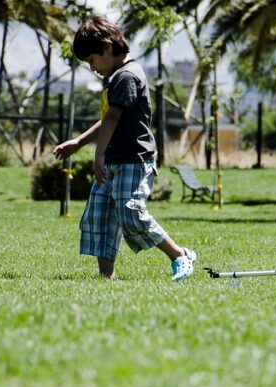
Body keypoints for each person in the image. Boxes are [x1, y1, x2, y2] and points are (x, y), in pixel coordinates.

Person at [54, 15, 196, 281]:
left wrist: (97, 155)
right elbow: (108, 118)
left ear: (107, 48)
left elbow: (112, 118)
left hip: (133, 160)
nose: (92, 68)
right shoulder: (119, 77)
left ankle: (179, 255)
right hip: (114, 160)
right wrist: (79, 142)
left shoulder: (127, 76)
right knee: (100, 217)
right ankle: (106, 278)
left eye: (92, 61)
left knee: (131, 213)